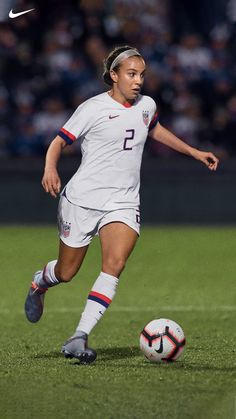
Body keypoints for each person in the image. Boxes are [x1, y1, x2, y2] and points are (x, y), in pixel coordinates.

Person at [24, 45, 219, 364]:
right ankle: (40, 282)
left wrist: (194, 152)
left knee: (114, 265)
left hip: (123, 201)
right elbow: (59, 142)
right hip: (83, 200)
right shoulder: (92, 108)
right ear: (113, 75)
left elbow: (153, 129)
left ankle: (79, 336)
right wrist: (50, 168)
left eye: (141, 74)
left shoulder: (147, 105)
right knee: (67, 271)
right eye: (131, 74)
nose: (138, 80)